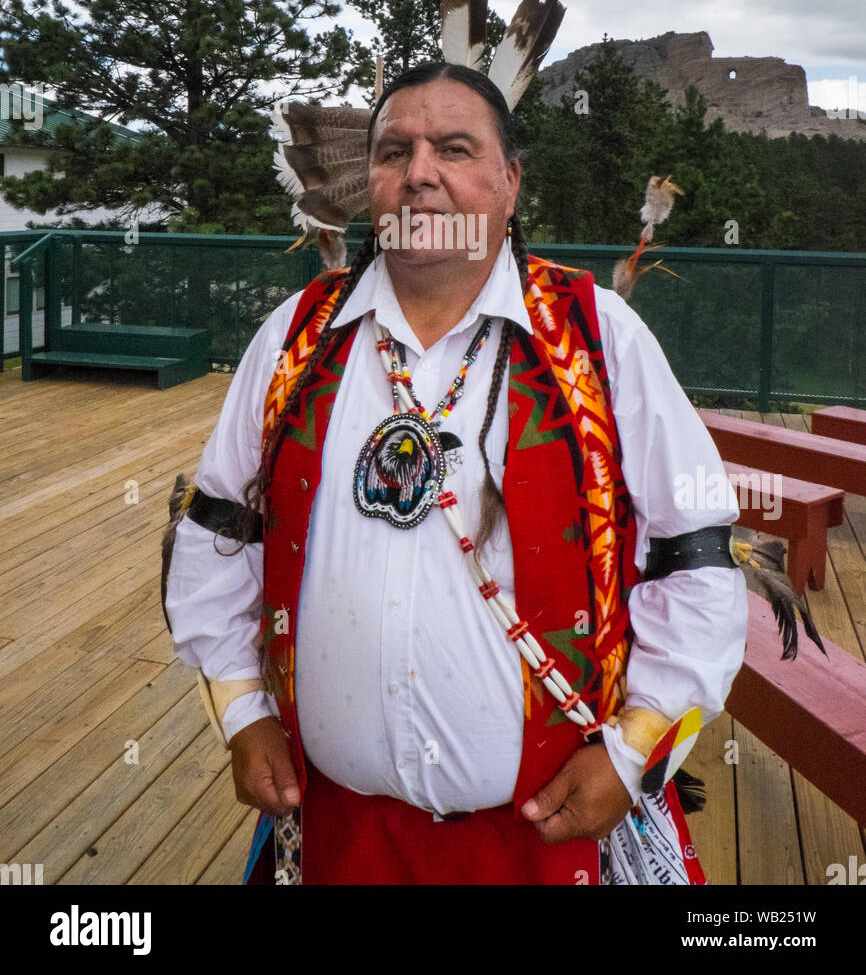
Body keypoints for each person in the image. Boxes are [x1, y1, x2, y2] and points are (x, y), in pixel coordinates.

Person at [165, 61, 747, 886]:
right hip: (335, 840)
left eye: (455, 148)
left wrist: (634, 746)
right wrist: (241, 709)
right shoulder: (296, 338)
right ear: (368, 182)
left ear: (508, 184)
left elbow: (697, 558)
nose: (420, 174)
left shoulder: (594, 333)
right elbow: (217, 533)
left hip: (546, 843)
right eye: (393, 151)